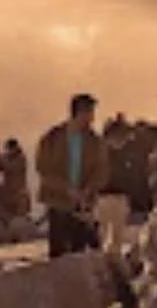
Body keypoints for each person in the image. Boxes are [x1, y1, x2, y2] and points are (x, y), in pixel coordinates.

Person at [36, 93, 109, 258]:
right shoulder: (52, 138)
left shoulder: (94, 141)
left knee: (79, 250)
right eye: (89, 113)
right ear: (79, 113)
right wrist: (66, 188)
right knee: (57, 251)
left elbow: (101, 170)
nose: (92, 118)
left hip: (82, 205)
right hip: (57, 201)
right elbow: (43, 169)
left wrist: (88, 190)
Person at [94, 116, 136, 256]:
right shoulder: (100, 152)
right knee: (102, 233)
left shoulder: (125, 153)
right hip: (103, 197)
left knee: (117, 235)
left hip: (119, 197)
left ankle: (113, 259)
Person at [0, 138, 31, 220]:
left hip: (18, 192)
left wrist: (2, 160)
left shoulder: (20, 158)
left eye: (8, 149)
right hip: (8, 192)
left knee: (20, 217)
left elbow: (10, 167)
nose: (7, 151)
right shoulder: (7, 157)